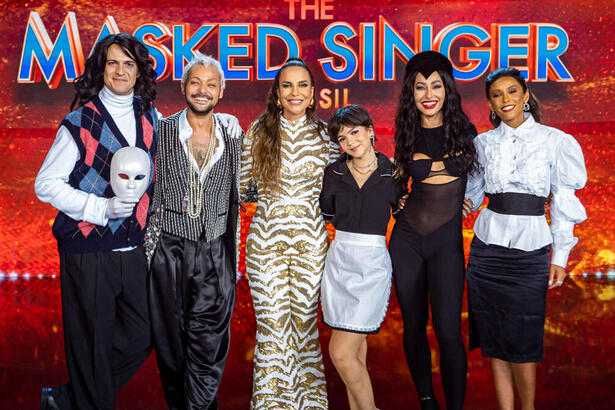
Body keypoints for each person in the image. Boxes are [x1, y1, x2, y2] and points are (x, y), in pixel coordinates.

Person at [34, 33, 158, 410]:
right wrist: (99, 209)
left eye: (129, 64)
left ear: (139, 72)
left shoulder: (148, 115)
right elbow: (45, 185)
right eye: (113, 63)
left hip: (132, 249)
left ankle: (68, 398)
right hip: (87, 250)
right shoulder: (79, 122)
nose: (121, 70)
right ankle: (85, 398)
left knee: (144, 333)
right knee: (91, 345)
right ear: (101, 70)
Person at [464, 67, 587, 410]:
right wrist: (454, 204)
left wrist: (560, 258)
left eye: (512, 91)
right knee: (494, 339)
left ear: (526, 95)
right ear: (489, 102)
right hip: (487, 251)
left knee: (523, 339)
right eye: (497, 94)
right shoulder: (483, 143)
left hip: (531, 249)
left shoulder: (556, 141)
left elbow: (563, 200)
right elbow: (474, 191)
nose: (506, 100)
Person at [145, 52, 243, 410]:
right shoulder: (160, 130)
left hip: (215, 251)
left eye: (211, 84)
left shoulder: (235, 135)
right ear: (183, 87)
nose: (203, 90)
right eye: (196, 82)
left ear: (221, 92)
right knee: (171, 346)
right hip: (168, 251)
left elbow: (248, 187)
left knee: (208, 344)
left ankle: (199, 406)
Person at [240, 57, 338, 409]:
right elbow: (243, 187)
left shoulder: (328, 136)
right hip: (265, 244)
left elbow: (338, 192)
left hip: (313, 245)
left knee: (304, 328)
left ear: (313, 95)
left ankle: (311, 405)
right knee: (272, 328)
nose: (294, 92)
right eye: (287, 85)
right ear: (277, 94)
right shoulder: (257, 132)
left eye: (302, 86)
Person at [388, 51, 477, 410]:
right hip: (407, 241)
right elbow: (396, 178)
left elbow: (479, 174)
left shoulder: (464, 129)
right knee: (413, 326)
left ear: (447, 89)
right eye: (420, 86)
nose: (429, 93)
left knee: (448, 331)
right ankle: (426, 400)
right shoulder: (406, 131)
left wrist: (471, 198)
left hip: (446, 244)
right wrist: (397, 200)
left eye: (436, 85)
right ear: (411, 91)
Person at [319, 105, 406, 410]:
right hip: (339, 260)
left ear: (370, 130)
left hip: (372, 266)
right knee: (354, 354)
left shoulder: (394, 173)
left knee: (341, 353)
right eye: (342, 138)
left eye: (354, 132)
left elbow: (404, 213)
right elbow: (327, 215)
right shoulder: (334, 173)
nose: (350, 142)